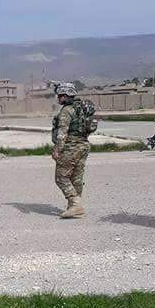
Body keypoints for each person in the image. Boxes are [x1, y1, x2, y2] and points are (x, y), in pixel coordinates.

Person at [51, 82, 92, 219]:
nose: (58, 98)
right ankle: (73, 207)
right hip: (83, 146)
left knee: (61, 177)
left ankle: (75, 204)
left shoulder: (67, 110)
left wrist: (57, 150)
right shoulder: (81, 107)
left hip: (71, 147)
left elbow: (62, 133)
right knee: (76, 178)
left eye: (60, 96)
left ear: (65, 95)